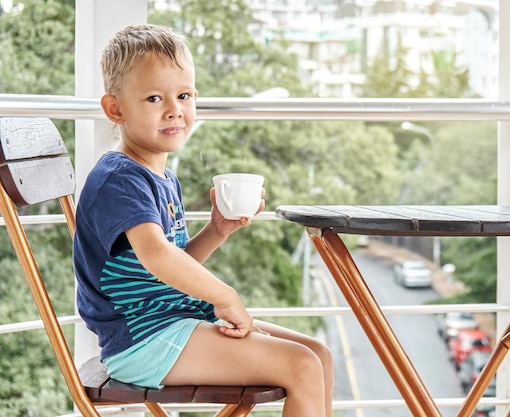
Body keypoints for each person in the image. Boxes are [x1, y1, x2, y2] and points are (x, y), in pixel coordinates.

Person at [73, 24, 333, 417]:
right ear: (115, 108)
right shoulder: (120, 178)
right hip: (142, 341)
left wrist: (216, 230)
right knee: (301, 365)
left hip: (176, 323)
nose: (174, 109)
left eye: (184, 95)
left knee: (318, 354)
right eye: (154, 97)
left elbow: (169, 266)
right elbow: (158, 256)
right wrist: (224, 297)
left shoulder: (160, 176)